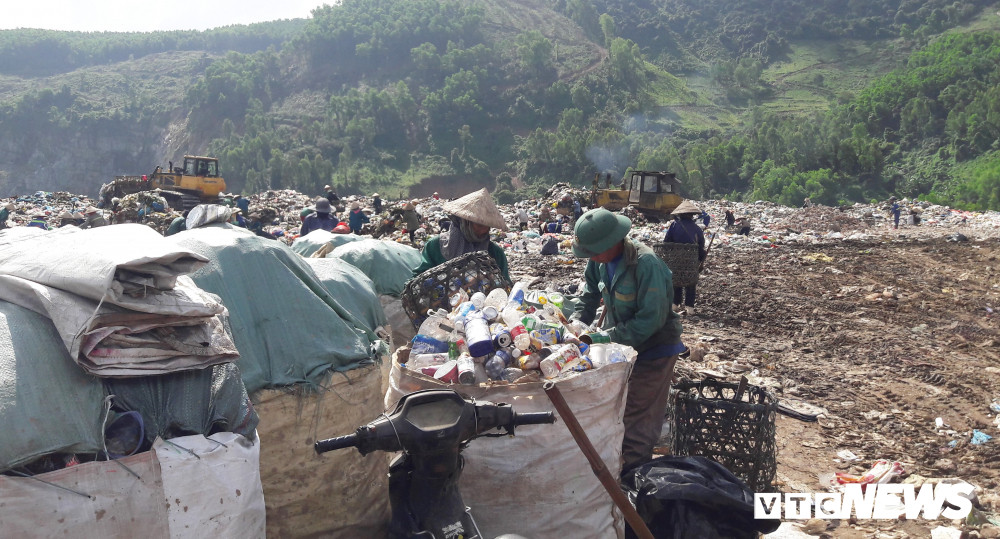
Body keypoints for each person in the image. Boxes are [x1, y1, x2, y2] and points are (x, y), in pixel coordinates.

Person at [569, 208, 683, 471]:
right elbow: (588, 297)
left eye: (594, 252)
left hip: (655, 350)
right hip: (623, 348)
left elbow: (650, 321)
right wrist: (575, 323)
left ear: (612, 243)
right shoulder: (598, 261)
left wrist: (602, 337)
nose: (591, 257)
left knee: (637, 419)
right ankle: (617, 470)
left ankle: (633, 478)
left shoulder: (646, 265)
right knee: (615, 409)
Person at [411, 188, 510, 281]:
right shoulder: (435, 246)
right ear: (464, 223)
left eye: (488, 226)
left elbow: (506, 283)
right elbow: (418, 278)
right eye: (479, 225)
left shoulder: (495, 252)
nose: (484, 230)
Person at [664, 200, 707, 316]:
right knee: (691, 281)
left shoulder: (674, 226)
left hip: (676, 260)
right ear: (692, 215)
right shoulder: (697, 228)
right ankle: (689, 307)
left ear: (680, 215)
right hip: (691, 260)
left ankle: (675, 303)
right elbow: (701, 245)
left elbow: (666, 242)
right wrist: (701, 259)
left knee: (677, 279)